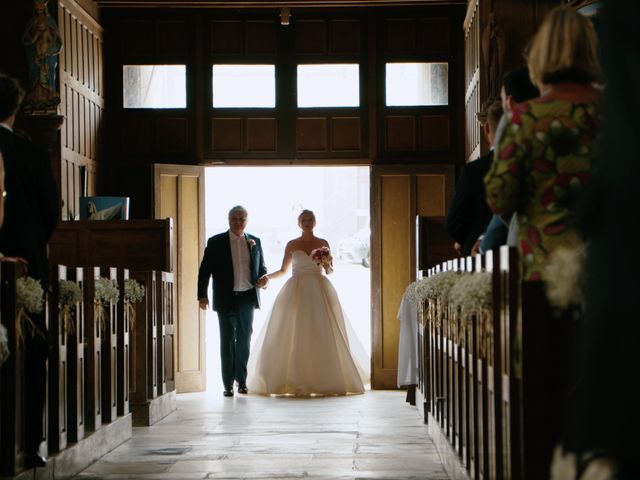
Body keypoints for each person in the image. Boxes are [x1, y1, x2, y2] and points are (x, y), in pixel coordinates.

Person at [484, 6, 601, 281]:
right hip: (609, 267)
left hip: (543, 267)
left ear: (540, 55)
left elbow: (499, 198)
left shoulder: (524, 119)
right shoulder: (619, 114)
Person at [0, 73, 59, 468]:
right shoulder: (30, 152)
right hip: (25, 263)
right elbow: (51, 214)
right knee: (32, 348)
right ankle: (29, 442)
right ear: (16, 108)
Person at [247, 210, 368, 396]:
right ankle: (291, 379)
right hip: (295, 290)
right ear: (298, 223)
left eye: (310, 219)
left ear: (315, 222)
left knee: (321, 330)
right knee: (293, 331)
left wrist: (327, 263)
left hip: (319, 289)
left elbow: (330, 272)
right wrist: (266, 277)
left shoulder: (323, 243)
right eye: (304, 220)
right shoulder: (292, 244)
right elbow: (283, 270)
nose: (307, 222)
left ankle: (326, 379)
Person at [197, 206, 268, 397]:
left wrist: (264, 280)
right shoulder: (216, 242)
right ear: (228, 220)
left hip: (247, 297)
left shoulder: (255, 241)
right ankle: (227, 384)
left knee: (244, 340)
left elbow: (261, 268)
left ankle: (241, 381)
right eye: (234, 219)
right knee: (226, 341)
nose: (238, 222)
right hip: (225, 297)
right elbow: (205, 271)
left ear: (247, 220)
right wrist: (202, 295)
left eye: (242, 219)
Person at [476, 67, 540, 255]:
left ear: (509, 103)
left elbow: (500, 200)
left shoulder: (515, 126)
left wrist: (485, 243)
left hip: (528, 244)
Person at [445, 100, 502, 257]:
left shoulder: (473, 171)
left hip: (478, 256)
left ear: (487, 128)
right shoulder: (530, 162)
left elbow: (453, 224)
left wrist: (471, 238)